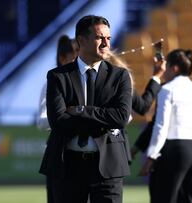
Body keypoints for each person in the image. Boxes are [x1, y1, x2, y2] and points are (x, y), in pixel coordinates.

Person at [39, 15, 133, 203]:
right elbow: (58, 121)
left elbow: (121, 117)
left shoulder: (120, 76)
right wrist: (103, 122)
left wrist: (82, 110)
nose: (106, 44)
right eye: (100, 38)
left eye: (108, 38)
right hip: (68, 166)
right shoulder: (58, 76)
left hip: (109, 167)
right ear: (82, 40)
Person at [140, 49, 192, 203]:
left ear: (175, 68)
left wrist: (152, 155)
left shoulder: (167, 89)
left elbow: (161, 126)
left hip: (176, 148)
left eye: (167, 66)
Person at [36, 34, 78, 203]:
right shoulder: (51, 83)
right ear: (62, 58)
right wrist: (65, 113)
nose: (78, 60)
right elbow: (41, 122)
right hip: (60, 156)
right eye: (74, 56)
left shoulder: (92, 80)